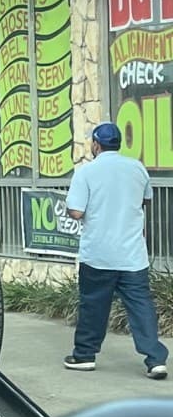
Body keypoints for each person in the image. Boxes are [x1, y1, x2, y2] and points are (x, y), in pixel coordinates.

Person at [63, 121, 168, 378]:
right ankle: (155, 359)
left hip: (98, 254)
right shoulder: (137, 168)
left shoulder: (86, 172)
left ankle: (85, 355)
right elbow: (145, 201)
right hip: (132, 255)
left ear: (96, 145)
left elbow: (76, 211)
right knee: (141, 306)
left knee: (93, 305)